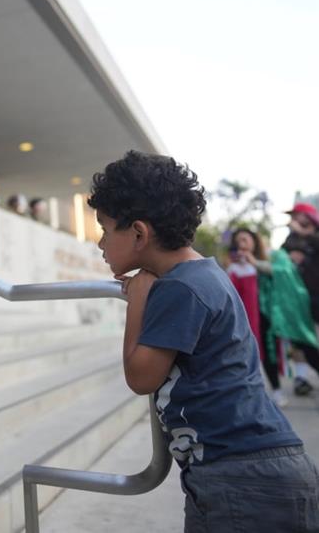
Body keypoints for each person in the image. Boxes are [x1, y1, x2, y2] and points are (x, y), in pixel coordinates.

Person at [88, 150, 318, 532]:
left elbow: (141, 377)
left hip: (241, 479)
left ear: (139, 233)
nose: (100, 243)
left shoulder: (181, 288)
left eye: (105, 229)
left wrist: (138, 301)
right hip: (247, 473)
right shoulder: (200, 275)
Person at [226, 228, 286, 406]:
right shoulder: (235, 268)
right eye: (238, 240)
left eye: (245, 239)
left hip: (267, 315)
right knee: (248, 353)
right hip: (247, 317)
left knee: (269, 353)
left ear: (254, 241)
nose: (241, 243)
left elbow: (278, 275)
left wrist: (254, 262)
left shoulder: (267, 259)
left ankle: (276, 390)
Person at [285, 202, 319, 396]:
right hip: (298, 296)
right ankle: (301, 379)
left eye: (297, 214)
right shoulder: (291, 238)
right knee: (300, 339)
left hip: (316, 295)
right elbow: (281, 256)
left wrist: (304, 233)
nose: (294, 219)